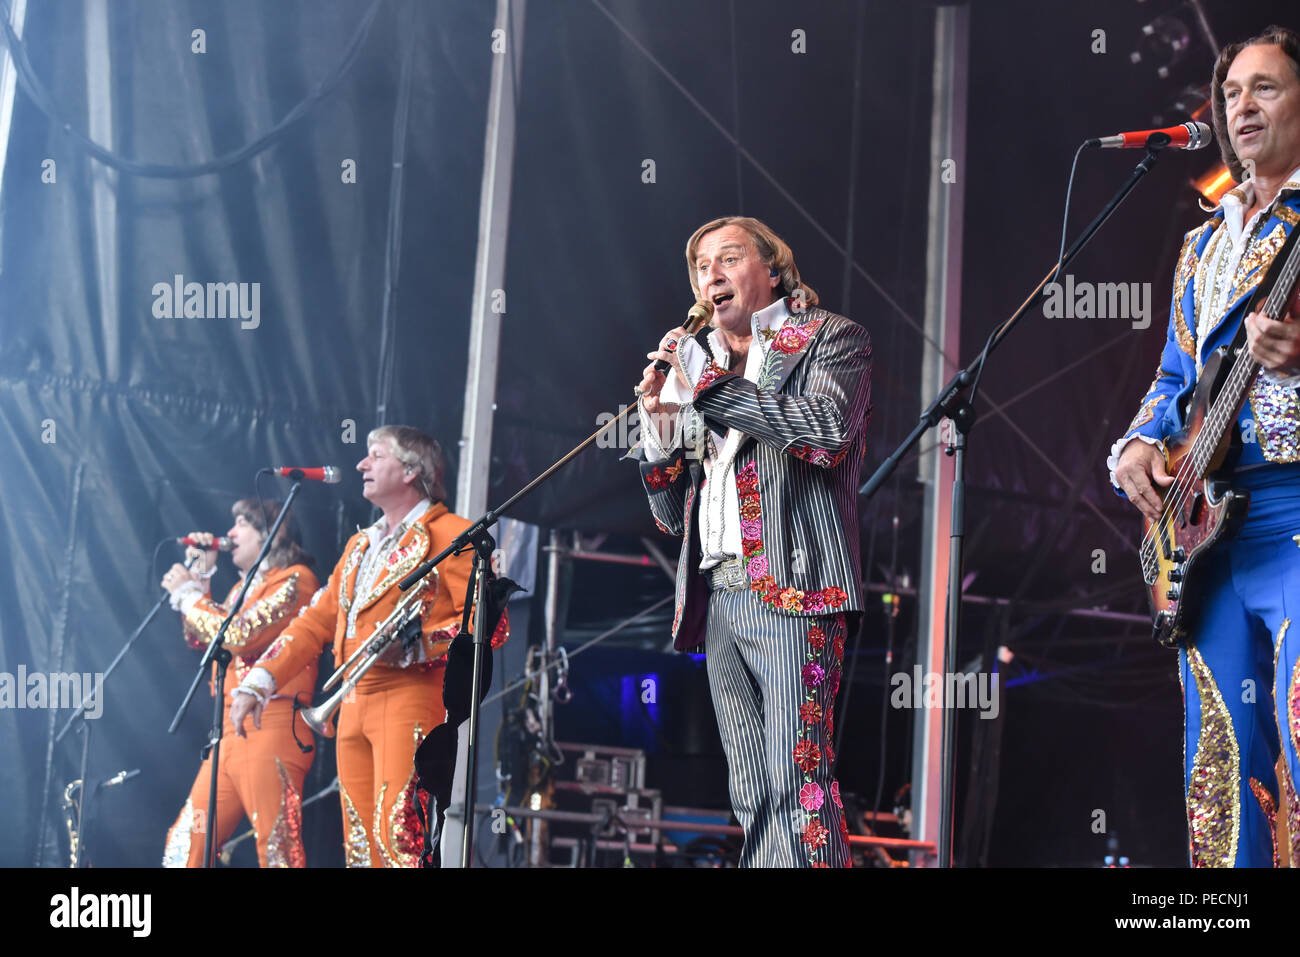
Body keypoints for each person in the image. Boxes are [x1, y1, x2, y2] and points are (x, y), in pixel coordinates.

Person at [1110, 25, 1300, 867]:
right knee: (1219, 758)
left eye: (1265, 88)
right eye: (1231, 93)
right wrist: (1135, 446)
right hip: (1206, 533)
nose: (1241, 107)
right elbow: (1172, 380)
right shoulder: (1203, 243)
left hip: (1294, 514)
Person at [632, 216, 872, 867]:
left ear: (772, 269)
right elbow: (671, 516)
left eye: (728, 257)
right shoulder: (700, 364)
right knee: (751, 788)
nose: (710, 273)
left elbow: (823, 433)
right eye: (700, 265)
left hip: (797, 585)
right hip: (719, 596)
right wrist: (657, 427)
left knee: (798, 778)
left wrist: (707, 383)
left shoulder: (828, 338)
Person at [230, 426, 492, 867]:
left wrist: (417, 646)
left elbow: (488, 623)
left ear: (411, 470)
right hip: (350, 706)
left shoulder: (454, 534)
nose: (361, 464)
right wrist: (258, 680)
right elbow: (315, 621)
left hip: (409, 698)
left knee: (397, 837)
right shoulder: (359, 544)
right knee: (359, 846)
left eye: (375, 455)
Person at [161, 499, 320, 867]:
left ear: (272, 532)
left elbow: (241, 634)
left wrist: (189, 595)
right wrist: (200, 578)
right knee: (187, 842)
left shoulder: (297, 580)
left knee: (276, 847)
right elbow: (203, 640)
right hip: (229, 735)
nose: (230, 533)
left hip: (272, 726)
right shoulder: (239, 591)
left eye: (241, 524)